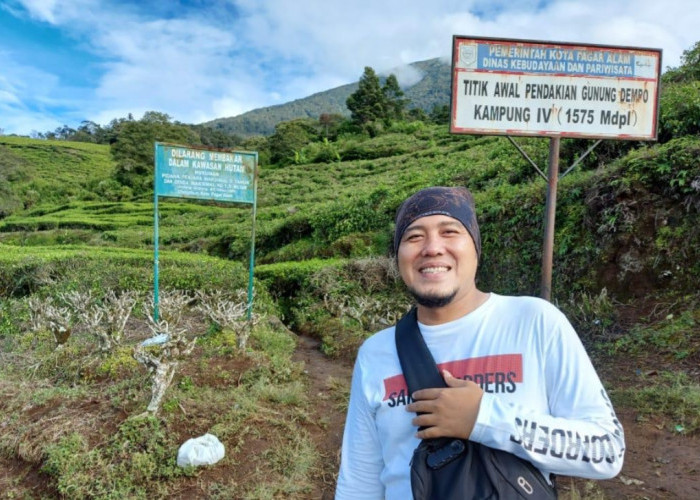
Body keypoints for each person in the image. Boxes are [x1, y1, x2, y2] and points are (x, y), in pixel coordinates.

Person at [335, 186, 625, 499]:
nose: (432, 248)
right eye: (414, 236)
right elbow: (359, 485)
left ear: (475, 247)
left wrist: (484, 419)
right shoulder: (376, 353)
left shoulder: (534, 321)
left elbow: (606, 451)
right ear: (399, 256)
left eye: (450, 231)